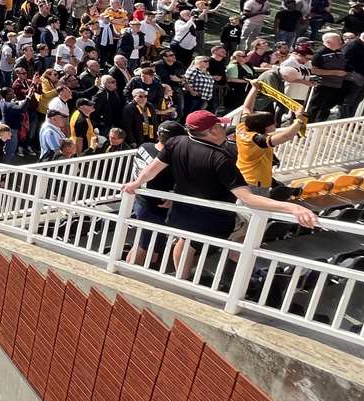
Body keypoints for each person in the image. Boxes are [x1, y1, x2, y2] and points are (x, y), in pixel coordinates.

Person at [123, 110, 318, 277]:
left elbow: (153, 168)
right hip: (215, 220)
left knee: (184, 240)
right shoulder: (221, 158)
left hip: (181, 214)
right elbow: (248, 198)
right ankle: (243, 282)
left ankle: (180, 279)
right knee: (244, 240)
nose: (223, 128)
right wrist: (291, 206)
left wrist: (136, 183)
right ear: (212, 131)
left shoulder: (176, 143)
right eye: (220, 125)